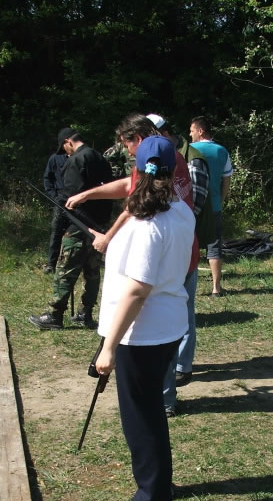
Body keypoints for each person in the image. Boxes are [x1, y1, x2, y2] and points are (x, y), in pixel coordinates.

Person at [67, 114, 199, 416]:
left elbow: (137, 202)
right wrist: (88, 194)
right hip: (180, 255)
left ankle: (162, 399)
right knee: (172, 317)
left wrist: (109, 238)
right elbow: (133, 188)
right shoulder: (169, 162)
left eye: (127, 145)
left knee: (153, 327)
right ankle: (164, 395)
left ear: (137, 140)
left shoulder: (153, 173)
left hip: (164, 267)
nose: (127, 151)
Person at [94, 136, 195, 501]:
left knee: (141, 417)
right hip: (168, 327)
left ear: (136, 170)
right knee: (150, 410)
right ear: (174, 168)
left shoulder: (149, 225)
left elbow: (137, 290)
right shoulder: (181, 211)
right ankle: (159, 484)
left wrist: (108, 347)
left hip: (143, 335)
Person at [146, 113, 210, 391]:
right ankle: (174, 369)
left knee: (182, 309)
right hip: (178, 243)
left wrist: (178, 230)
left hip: (183, 245)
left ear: (162, 133)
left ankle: (182, 365)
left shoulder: (189, 158)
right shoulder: (158, 158)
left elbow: (196, 200)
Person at [28, 128, 113, 330]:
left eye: (64, 148)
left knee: (65, 269)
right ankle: (86, 313)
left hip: (79, 224)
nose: (65, 153)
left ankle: (55, 315)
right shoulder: (100, 158)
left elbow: (70, 198)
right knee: (92, 271)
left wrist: (63, 212)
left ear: (68, 141)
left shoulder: (76, 160)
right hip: (100, 225)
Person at [189, 116, 233, 296]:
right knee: (214, 247)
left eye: (192, 130)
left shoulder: (189, 150)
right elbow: (226, 180)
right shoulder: (222, 151)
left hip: (191, 206)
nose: (190, 134)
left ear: (200, 131)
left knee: (188, 245)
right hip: (213, 205)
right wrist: (220, 200)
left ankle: (187, 286)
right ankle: (216, 287)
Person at [42, 151, 69, 274]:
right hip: (60, 201)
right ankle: (51, 264)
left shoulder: (81, 157)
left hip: (80, 201)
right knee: (57, 231)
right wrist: (55, 197)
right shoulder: (55, 158)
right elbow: (47, 179)